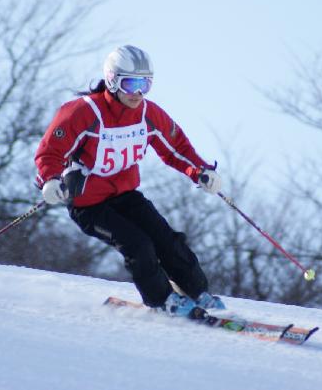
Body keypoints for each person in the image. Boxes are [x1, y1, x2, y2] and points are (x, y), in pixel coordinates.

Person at [35, 45, 225, 318]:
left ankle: (197, 292)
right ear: (112, 81)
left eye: (145, 84)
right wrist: (50, 180)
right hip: (89, 205)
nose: (138, 93)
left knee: (166, 240)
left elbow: (175, 148)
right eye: (131, 84)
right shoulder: (83, 112)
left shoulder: (147, 114)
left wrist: (200, 171)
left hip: (125, 196)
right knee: (138, 245)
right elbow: (50, 152)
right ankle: (163, 300)